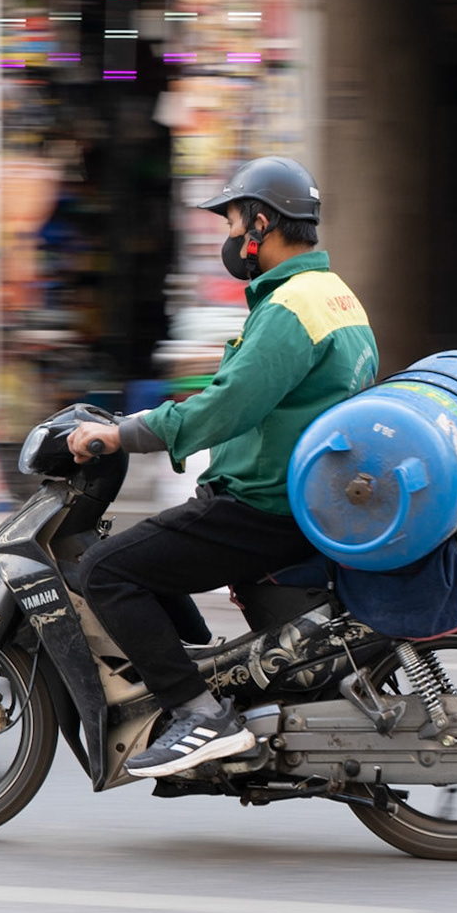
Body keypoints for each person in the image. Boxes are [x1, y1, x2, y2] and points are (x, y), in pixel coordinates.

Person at [67, 156, 378, 777]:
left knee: (105, 570)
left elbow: (228, 406)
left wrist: (123, 434)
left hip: (262, 505)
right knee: (153, 555)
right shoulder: (334, 295)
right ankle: (207, 680)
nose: (229, 238)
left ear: (262, 224)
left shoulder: (290, 308)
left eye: (233, 222)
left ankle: (198, 714)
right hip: (300, 495)